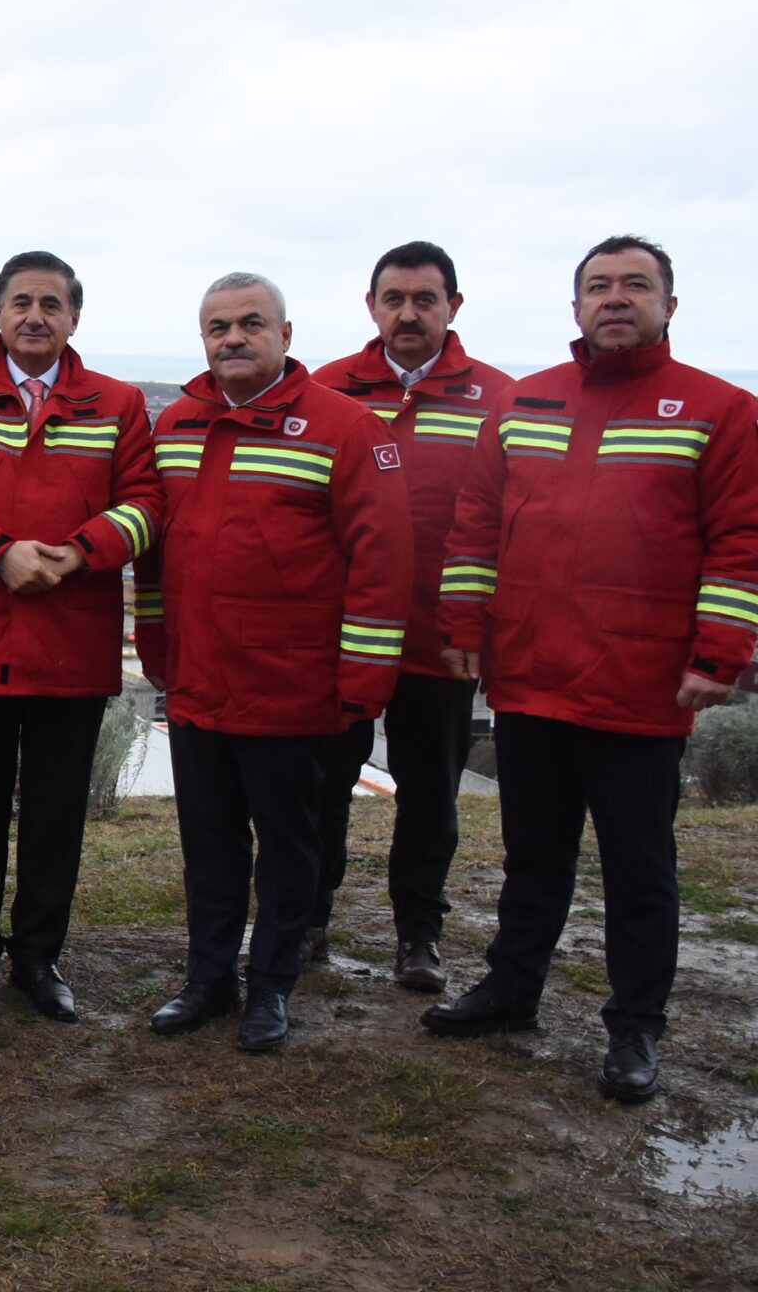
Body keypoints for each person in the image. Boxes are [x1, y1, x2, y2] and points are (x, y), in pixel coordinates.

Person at [423, 235, 758, 1104]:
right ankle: (511, 991)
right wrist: (463, 622)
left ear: (669, 306)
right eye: (599, 287)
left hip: (641, 685)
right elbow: (476, 523)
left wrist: (720, 655)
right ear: (575, 308)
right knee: (534, 855)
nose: (616, 299)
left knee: (639, 869)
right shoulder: (530, 401)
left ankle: (635, 1027)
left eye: (635, 286)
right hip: (531, 673)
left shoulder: (722, 411)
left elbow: (741, 547)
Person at [135, 274, 410, 1053]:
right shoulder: (180, 424)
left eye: (251, 323)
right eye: (217, 327)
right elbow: (159, 558)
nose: (233, 338)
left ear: (286, 335)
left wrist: (364, 679)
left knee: (289, 854)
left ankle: (272, 987)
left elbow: (383, 563)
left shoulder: (346, 428)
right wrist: (157, 646)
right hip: (199, 684)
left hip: (293, 686)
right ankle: (207, 979)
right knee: (210, 844)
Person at [0, 252, 159, 1022]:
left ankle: (40, 959)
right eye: (21, 302)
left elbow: (146, 503)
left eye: (51, 303)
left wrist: (80, 553)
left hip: (70, 644)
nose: (35, 316)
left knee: (56, 817)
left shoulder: (117, 403)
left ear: (74, 318)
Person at [304, 242, 510, 989]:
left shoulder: (497, 400)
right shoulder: (325, 391)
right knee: (321, 787)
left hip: (439, 645)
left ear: (454, 306)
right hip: (339, 641)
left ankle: (418, 934)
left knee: (430, 796)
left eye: (425, 298)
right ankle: (308, 918)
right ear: (371, 307)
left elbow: (502, 528)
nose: (409, 312)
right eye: (394, 298)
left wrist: (475, 628)